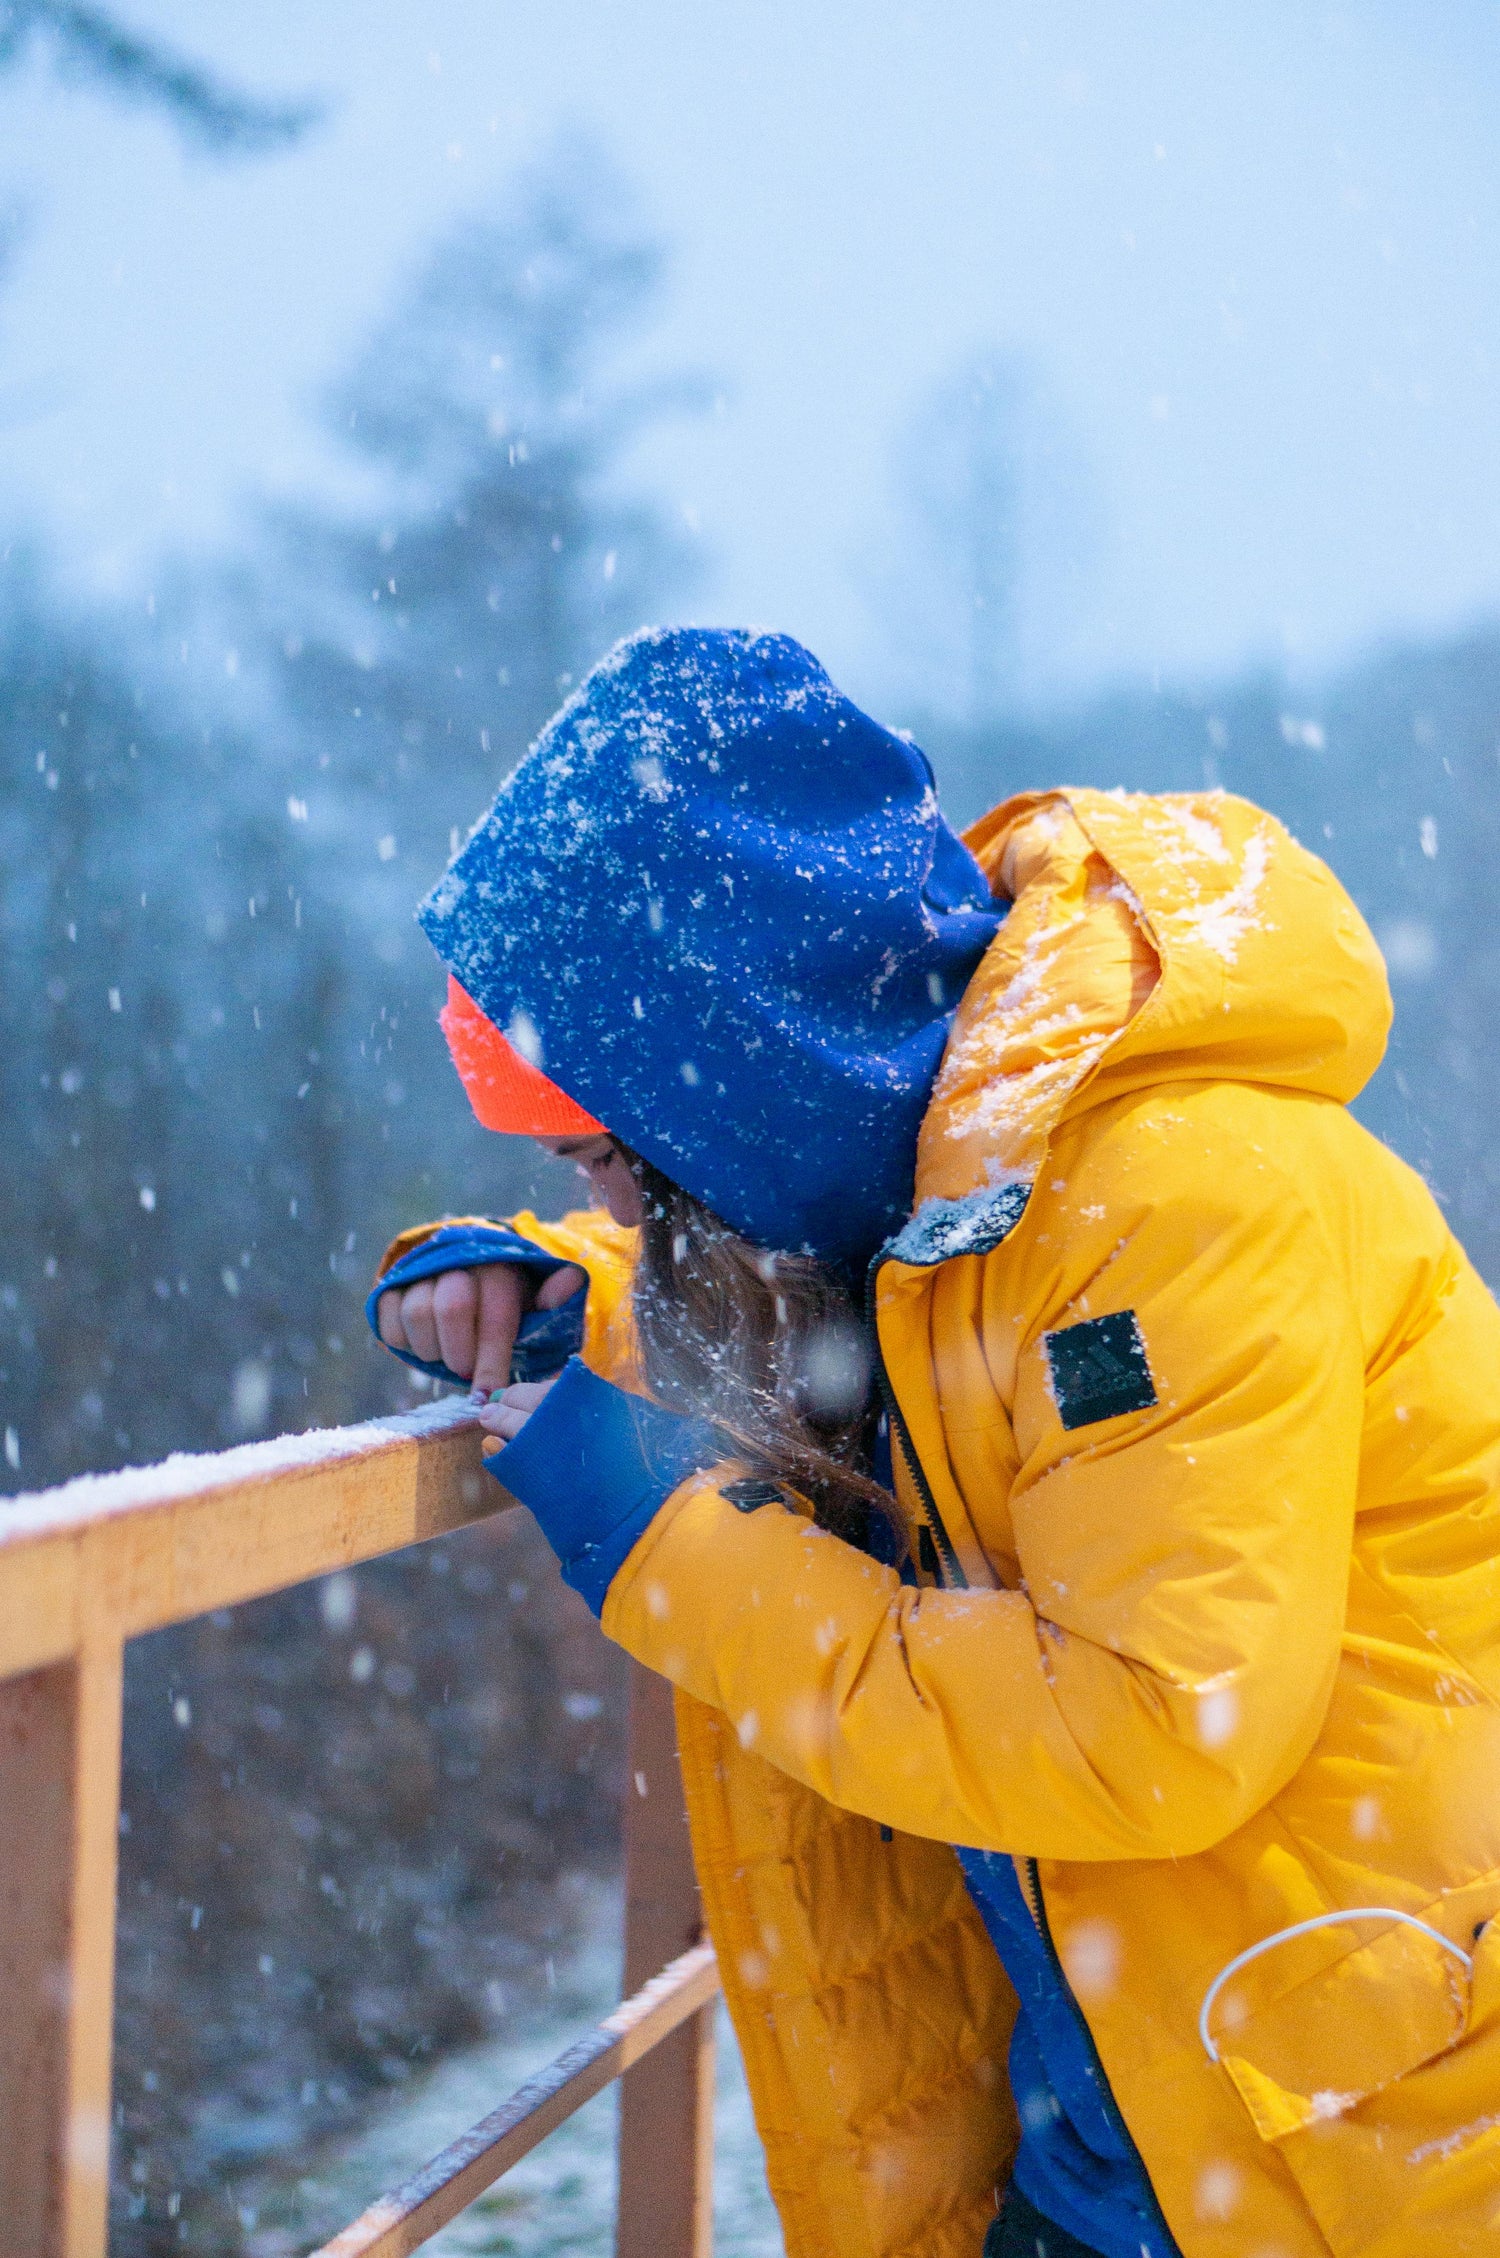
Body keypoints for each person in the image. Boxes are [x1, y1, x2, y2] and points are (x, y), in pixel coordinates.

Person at [370, 626, 1500, 2258]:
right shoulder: (931, 1186)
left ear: (744, 1082)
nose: (610, 1193)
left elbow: (1151, 1727)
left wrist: (662, 1540)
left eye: (612, 1157)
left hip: (1362, 2156)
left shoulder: (1171, 1202)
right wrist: (551, 1285)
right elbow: (865, 1308)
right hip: (1159, 2120)